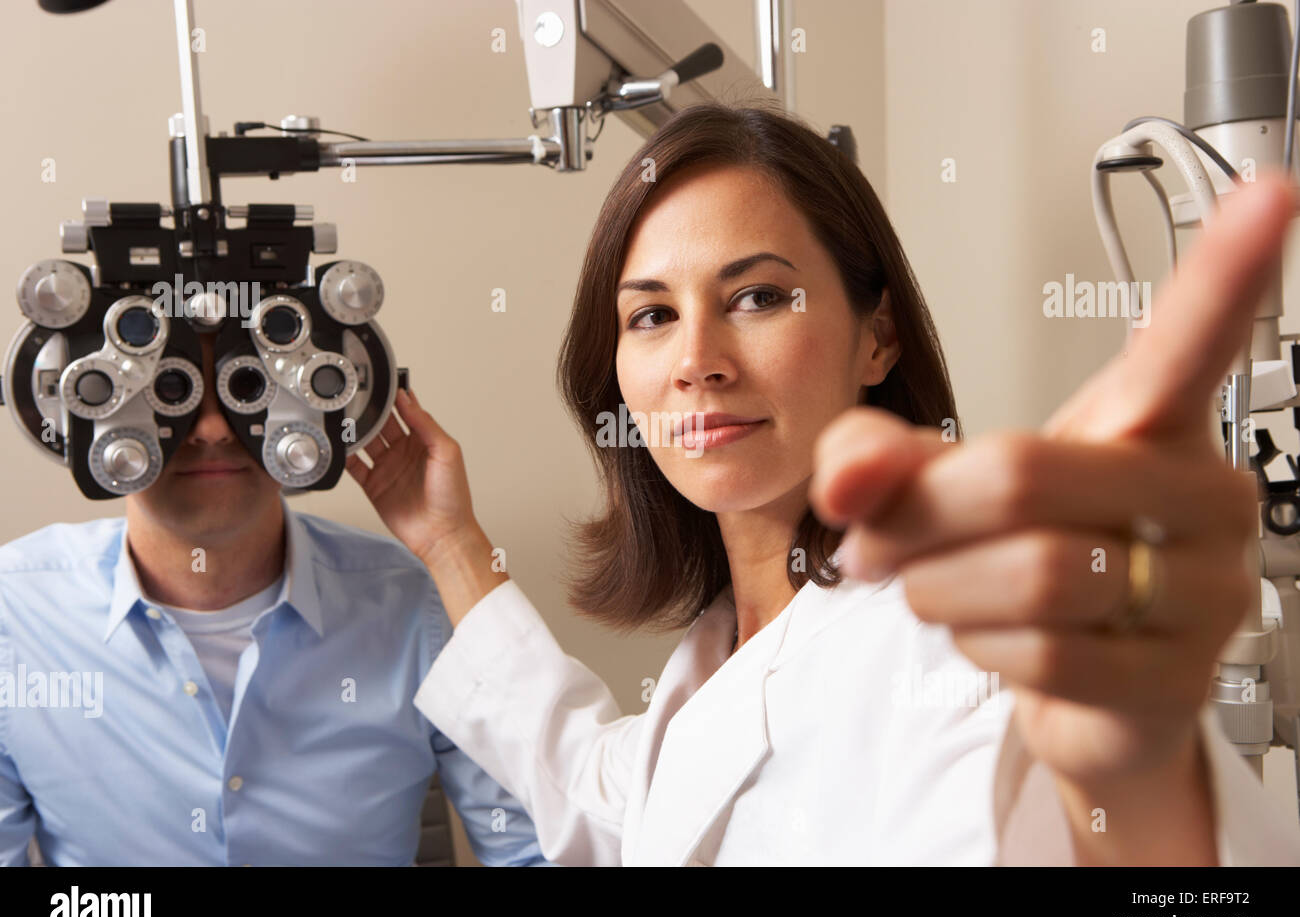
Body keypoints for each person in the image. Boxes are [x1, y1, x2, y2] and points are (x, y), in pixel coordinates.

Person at [348, 103, 1300, 865]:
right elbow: (601, 797)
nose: (696, 360)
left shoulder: (955, 651)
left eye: (757, 297)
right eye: (650, 315)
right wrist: (450, 545)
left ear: (877, 336)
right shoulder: (723, 650)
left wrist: (1140, 780)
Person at [0, 332, 547, 866]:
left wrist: (453, 547)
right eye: (169, 391)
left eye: (248, 387)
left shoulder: (416, 606)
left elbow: (535, 851)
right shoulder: (16, 614)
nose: (212, 428)